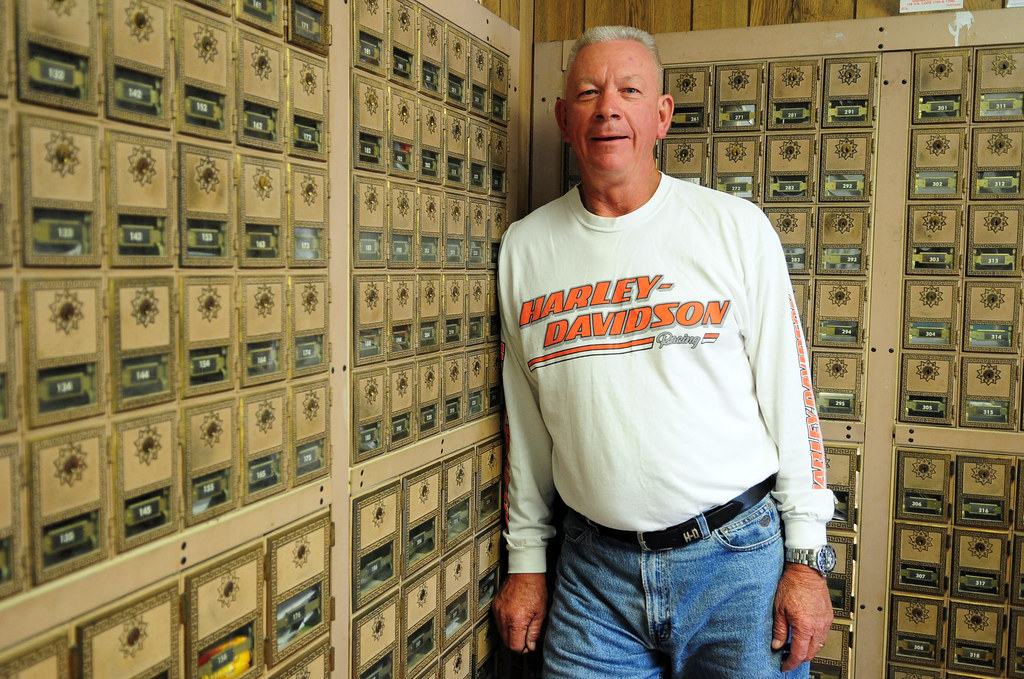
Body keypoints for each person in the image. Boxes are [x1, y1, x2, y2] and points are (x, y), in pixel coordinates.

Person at [493, 25, 836, 678]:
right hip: (594, 574)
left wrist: (807, 560)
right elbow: (527, 431)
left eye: (628, 89)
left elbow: (793, 404)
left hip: (738, 565)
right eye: (588, 93)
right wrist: (527, 564)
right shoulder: (526, 247)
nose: (608, 107)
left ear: (661, 115)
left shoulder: (734, 228)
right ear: (565, 120)